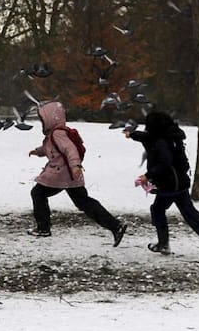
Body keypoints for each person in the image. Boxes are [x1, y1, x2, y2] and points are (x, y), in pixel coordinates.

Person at [125, 110, 199, 263]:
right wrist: (132, 134)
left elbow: (164, 163)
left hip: (169, 183)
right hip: (179, 182)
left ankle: (166, 244)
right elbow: (147, 138)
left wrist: (148, 175)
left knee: (165, 210)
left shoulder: (161, 142)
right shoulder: (170, 136)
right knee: (181, 211)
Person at [28, 101, 127, 245]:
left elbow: (70, 150)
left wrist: (76, 166)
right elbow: (50, 148)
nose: (41, 122)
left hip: (61, 174)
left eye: (42, 119)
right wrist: (38, 152)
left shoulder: (58, 134)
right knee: (84, 202)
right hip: (71, 175)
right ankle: (115, 226)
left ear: (50, 118)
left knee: (38, 193)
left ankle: (43, 228)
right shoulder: (55, 134)